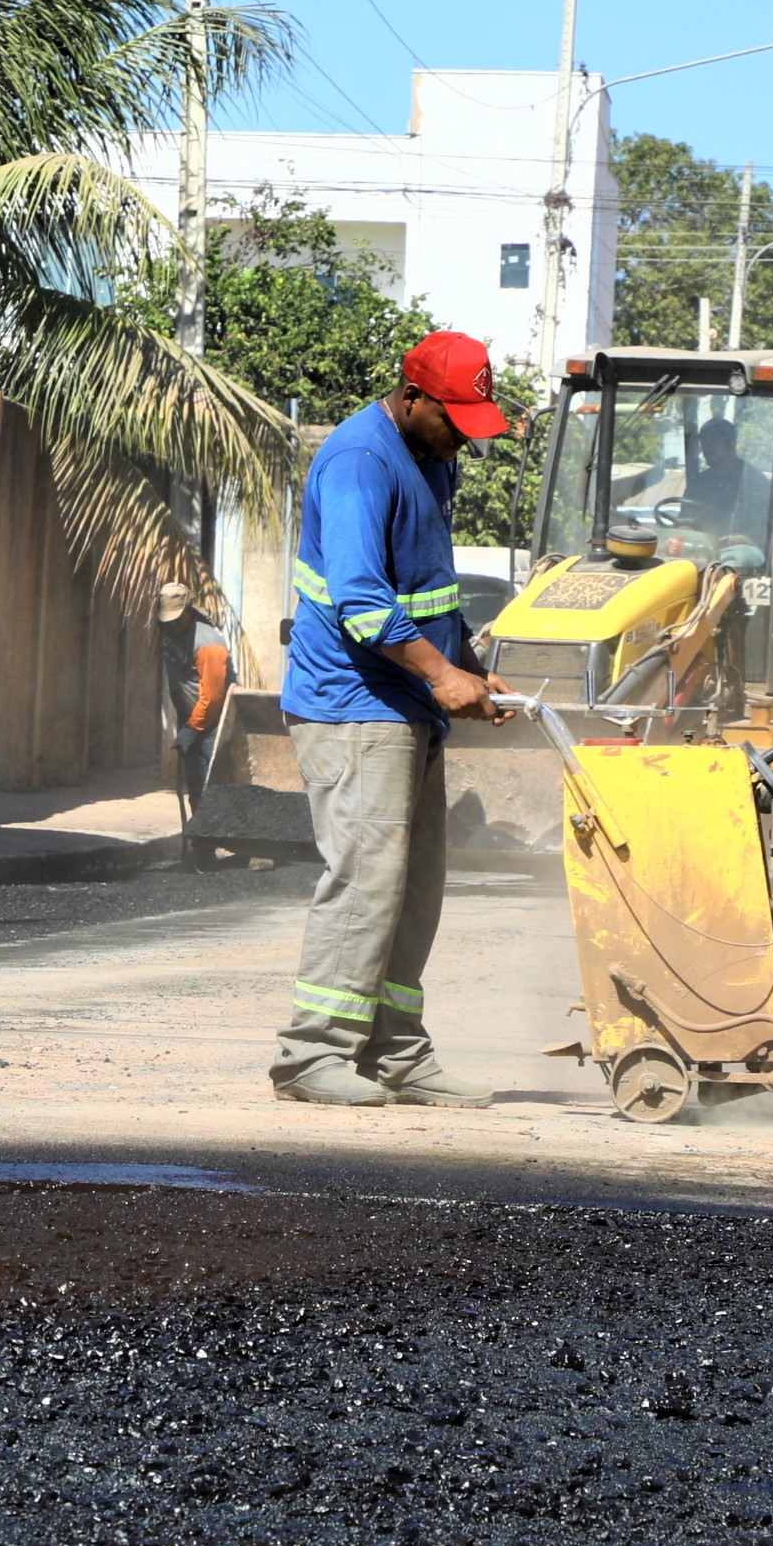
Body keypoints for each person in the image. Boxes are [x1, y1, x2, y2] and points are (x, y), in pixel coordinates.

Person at [268, 329, 511, 1108]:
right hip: (354, 704)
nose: (463, 439)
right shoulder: (360, 461)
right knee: (366, 882)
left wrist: (467, 664)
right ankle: (313, 1055)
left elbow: (429, 586)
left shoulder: (431, 457)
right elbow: (362, 600)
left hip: (406, 704)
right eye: (453, 420)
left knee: (413, 887)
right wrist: (440, 675)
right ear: (412, 398)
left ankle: (395, 1051)